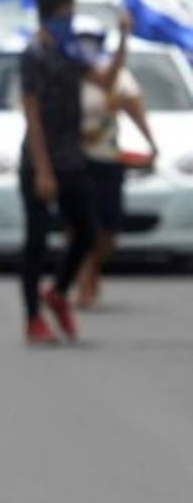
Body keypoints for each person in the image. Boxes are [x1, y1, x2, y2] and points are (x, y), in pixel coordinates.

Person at [19, 0, 129, 343]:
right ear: (55, 10)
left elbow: (107, 79)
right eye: (69, 7)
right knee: (36, 239)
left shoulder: (71, 50)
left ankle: (58, 291)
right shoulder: (34, 53)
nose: (73, 14)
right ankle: (34, 318)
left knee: (88, 231)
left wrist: (124, 37)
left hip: (71, 156)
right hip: (39, 158)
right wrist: (43, 170)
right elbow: (31, 113)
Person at [73, 18, 157, 308]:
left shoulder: (114, 76)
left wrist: (123, 36)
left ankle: (92, 268)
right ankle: (83, 276)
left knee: (109, 229)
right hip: (78, 163)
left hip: (108, 160)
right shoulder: (68, 74)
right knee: (82, 225)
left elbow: (130, 103)